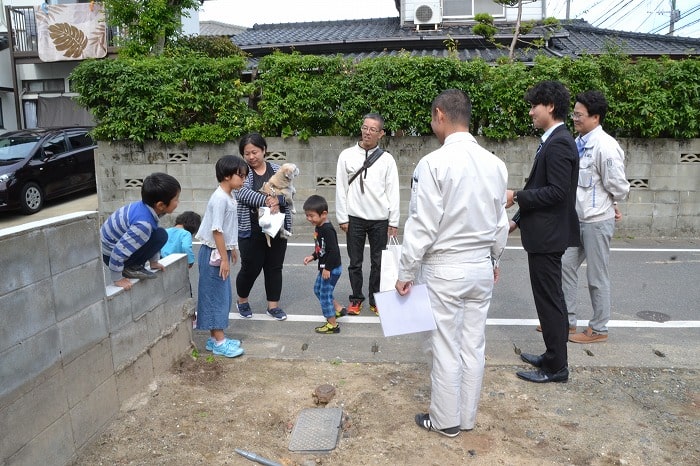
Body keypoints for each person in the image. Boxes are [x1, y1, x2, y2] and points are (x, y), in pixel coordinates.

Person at [395, 89, 508, 437]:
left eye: (432, 118)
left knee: (445, 345)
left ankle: (445, 421)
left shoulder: (433, 164)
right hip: (480, 266)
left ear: (440, 115)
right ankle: (467, 417)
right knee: (473, 344)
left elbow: (422, 224)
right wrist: (494, 258)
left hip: (445, 266)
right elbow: (500, 222)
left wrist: (406, 270)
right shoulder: (496, 164)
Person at [506, 80, 580, 384]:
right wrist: (518, 219)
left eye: (534, 105)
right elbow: (544, 189)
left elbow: (556, 193)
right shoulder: (554, 139)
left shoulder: (560, 142)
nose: (531, 112)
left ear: (549, 106)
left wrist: (517, 196)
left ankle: (556, 367)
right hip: (543, 234)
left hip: (548, 238)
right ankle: (552, 355)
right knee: (550, 298)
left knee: (550, 300)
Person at [562, 90, 630, 344]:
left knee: (596, 275)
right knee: (565, 266)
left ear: (595, 117)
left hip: (596, 221)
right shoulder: (576, 142)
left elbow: (619, 186)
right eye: (575, 113)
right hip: (575, 219)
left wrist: (610, 204)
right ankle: (567, 322)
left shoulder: (606, 147)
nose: (575, 118)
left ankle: (599, 328)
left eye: (579, 115)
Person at [336, 113, 400, 316]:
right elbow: (341, 188)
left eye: (373, 129)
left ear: (381, 133)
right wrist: (342, 217)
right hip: (354, 217)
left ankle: (376, 299)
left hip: (380, 219)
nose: (367, 133)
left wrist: (394, 220)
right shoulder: (346, 155)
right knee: (355, 262)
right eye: (365, 128)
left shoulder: (387, 160)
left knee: (378, 262)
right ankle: (356, 298)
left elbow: (393, 191)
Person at [195, 155, 248, 358]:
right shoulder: (220, 198)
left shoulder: (229, 196)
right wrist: (224, 258)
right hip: (214, 254)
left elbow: (226, 229)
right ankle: (219, 341)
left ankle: (215, 337)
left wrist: (231, 248)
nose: (243, 180)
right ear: (227, 176)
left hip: (219, 251)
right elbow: (217, 230)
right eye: (240, 176)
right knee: (215, 297)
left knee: (221, 295)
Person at [235, 133, 291, 321]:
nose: (251, 157)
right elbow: (241, 193)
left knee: (274, 267)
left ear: (264, 150)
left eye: (255, 152)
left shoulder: (277, 169)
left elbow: (289, 193)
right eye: (247, 153)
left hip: (277, 227)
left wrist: (279, 200)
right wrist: (268, 200)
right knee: (250, 267)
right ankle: (242, 301)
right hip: (251, 229)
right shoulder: (241, 171)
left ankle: (273, 306)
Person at [101, 172, 181, 291]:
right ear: (160, 205)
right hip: (111, 255)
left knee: (159, 233)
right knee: (161, 235)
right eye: (176, 199)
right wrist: (117, 279)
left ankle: (133, 264)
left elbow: (151, 236)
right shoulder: (143, 225)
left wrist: (154, 262)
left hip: (111, 248)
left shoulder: (144, 207)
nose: (178, 203)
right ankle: (130, 267)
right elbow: (118, 252)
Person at [302, 194, 347, 334]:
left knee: (324, 296)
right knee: (318, 290)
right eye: (307, 215)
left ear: (324, 214)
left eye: (311, 216)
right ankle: (338, 309)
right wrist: (313, 256)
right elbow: (322, 248)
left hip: (330, 268)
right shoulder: (319, 226)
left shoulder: (327, 230)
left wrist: (327, 268)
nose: (309, 219)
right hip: (325, 267)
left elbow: (333, 251)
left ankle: (332, 324)